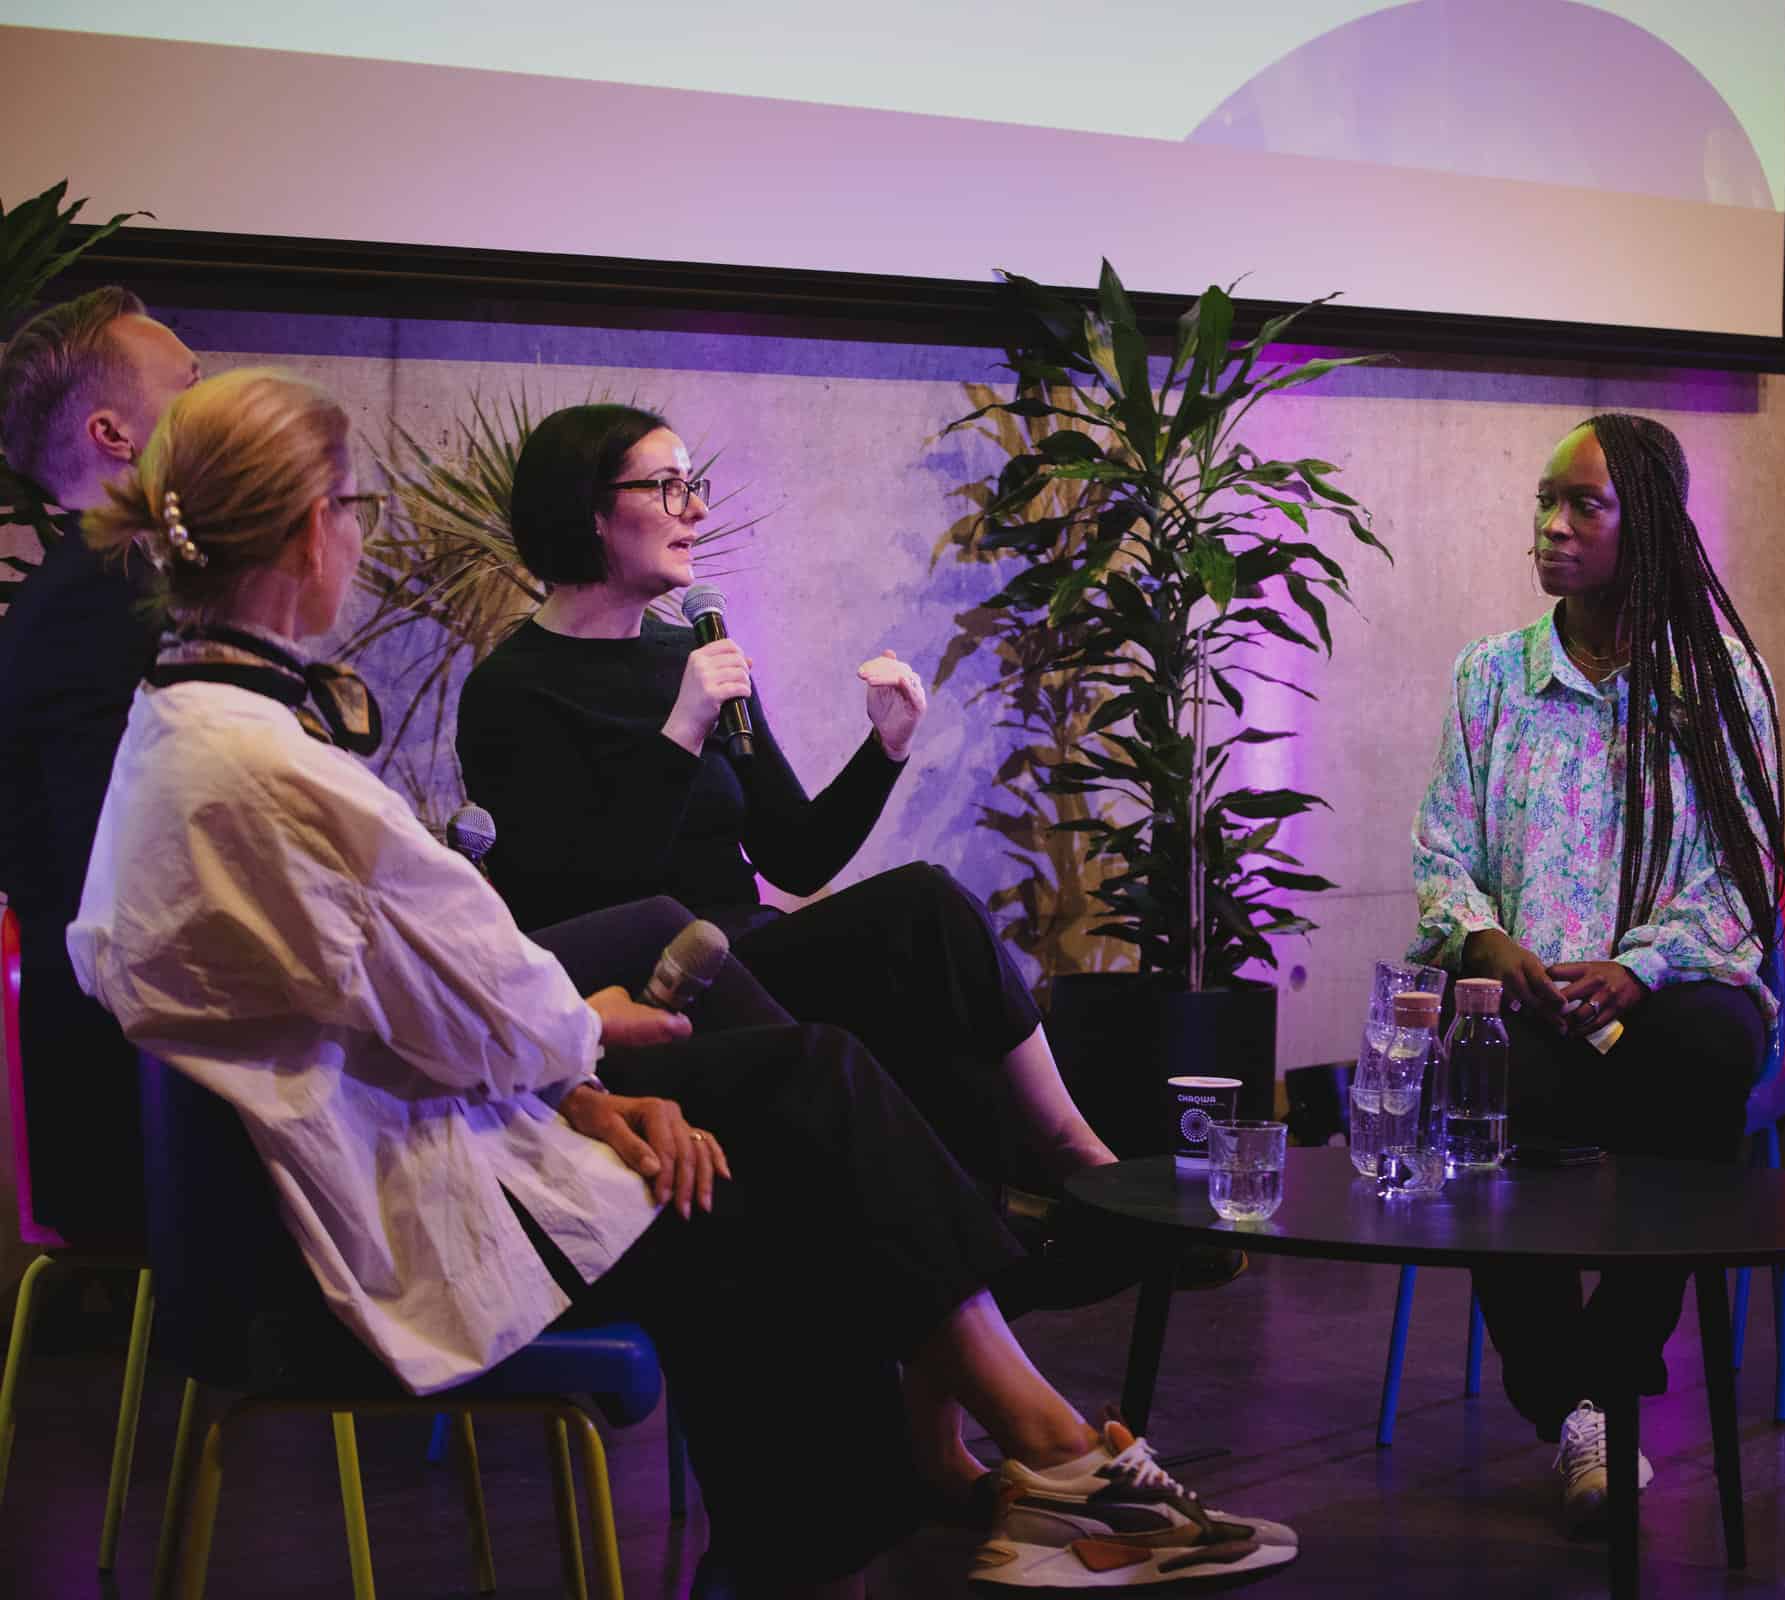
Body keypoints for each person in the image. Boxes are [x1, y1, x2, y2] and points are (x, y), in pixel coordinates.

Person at [69, 370, 1295, 1597]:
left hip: (392, 1125)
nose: (691, 508)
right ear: (304, 531)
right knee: (801, 1120)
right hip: (356, 1195)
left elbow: (442, 979)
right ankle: (1033, 1442)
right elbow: (491, 959)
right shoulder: (309, 747)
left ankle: (986, 1421)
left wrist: (580, 1079)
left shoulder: (189, 726)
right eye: (351, 508)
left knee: (833, 1051)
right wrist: (577, 1056)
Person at [455, 404, 1117, 1195]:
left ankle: (1046, 1187)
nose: (696, 509)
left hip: (756, 951)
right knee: (917, 926)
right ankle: (1048, 1178)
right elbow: (577, 895)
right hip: (658, 984)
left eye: (692, 484)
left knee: (923, 938)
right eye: (667, 487)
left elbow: (796, 856)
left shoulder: (691, 652)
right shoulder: (511, 690)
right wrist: (681, 730)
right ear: (591, 512)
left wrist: (886, 748)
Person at [1409, 413, 1785, 1528]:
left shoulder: (1717, 682)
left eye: (1586, 505)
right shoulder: (1493, 678)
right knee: (1474, 1077)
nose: (1554, 527)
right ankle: (1581, 1406)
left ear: (1650, 525)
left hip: (1659, 1008)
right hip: (1528, 1010)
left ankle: (1606, 1381)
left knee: (1719, 1048)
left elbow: (1741, 876)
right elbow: (1441, 852)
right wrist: (1485, 940)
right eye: (1545, 502)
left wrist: (1637, 966)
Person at [0, 286, 199, 1242]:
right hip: (138, 1085)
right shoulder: (99, 602)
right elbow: (117, 881)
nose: (216, 410)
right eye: (190, 387)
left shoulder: (112, 585)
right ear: (114, 433)